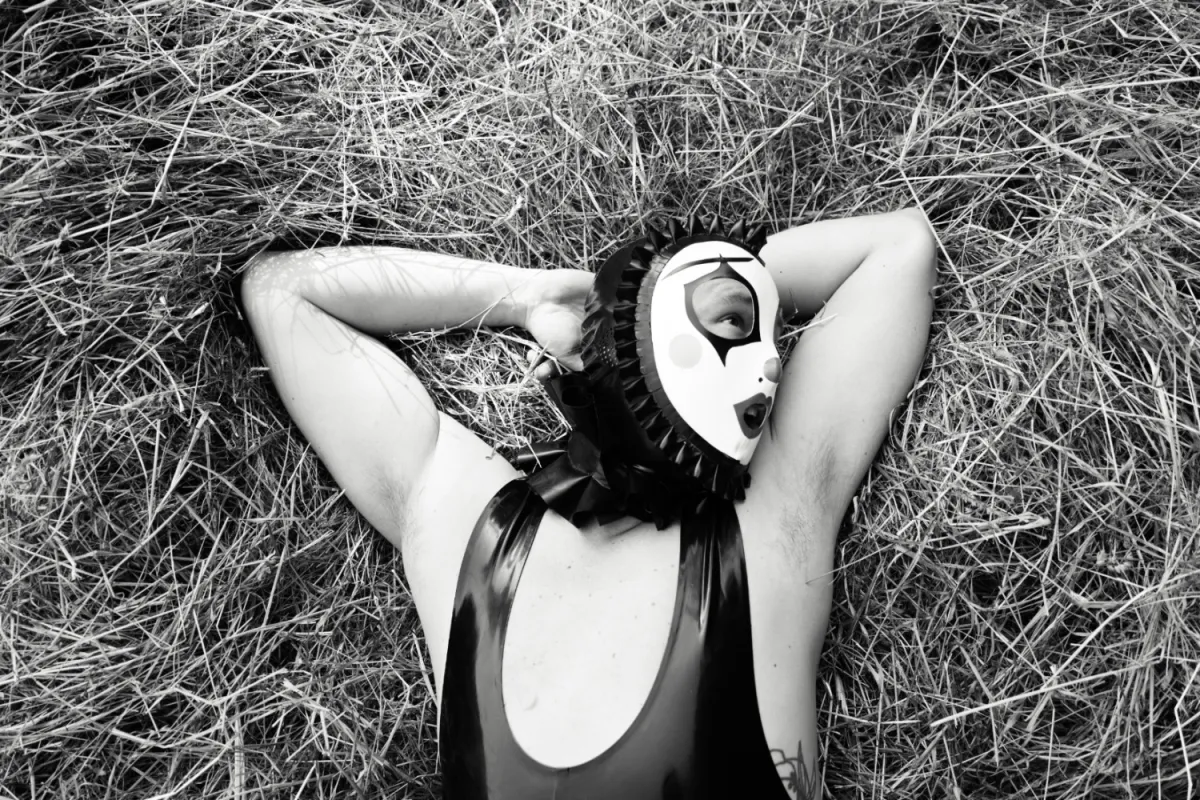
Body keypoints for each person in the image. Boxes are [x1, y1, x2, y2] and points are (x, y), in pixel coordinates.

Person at [240, 208, 936, 799]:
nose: (770, 363)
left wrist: (711, 285)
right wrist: (531, 296)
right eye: (733, 324)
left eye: (768, 337)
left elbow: (898, 249)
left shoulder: (768, 514)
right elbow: (280, 292)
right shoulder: (477, 535)